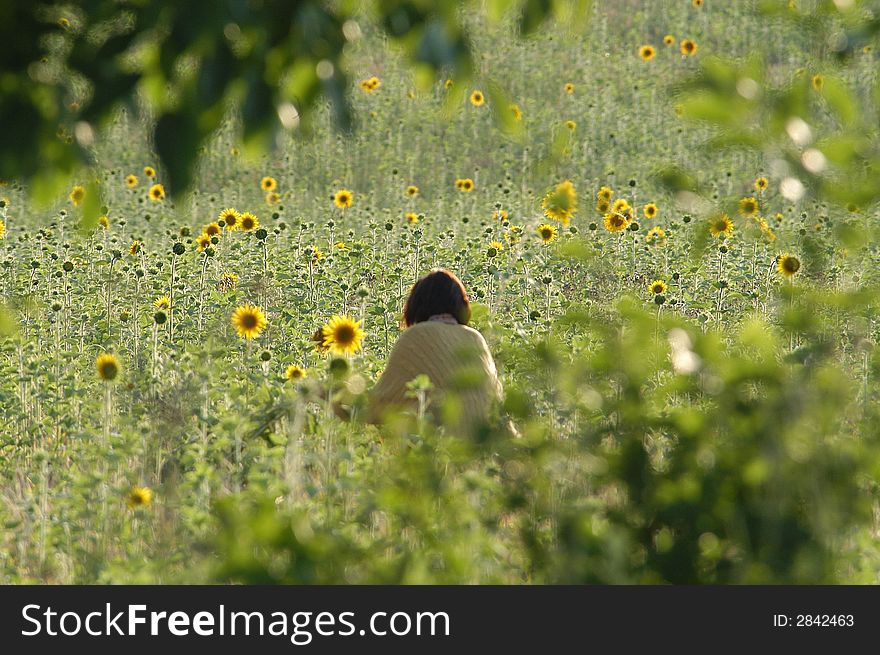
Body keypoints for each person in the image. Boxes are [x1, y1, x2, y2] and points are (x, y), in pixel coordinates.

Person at [367, 268, 505, 433]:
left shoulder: (416, 336)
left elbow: (379, 406)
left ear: (416, 305)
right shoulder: (475, 338)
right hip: (489, 444)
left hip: (446, 448)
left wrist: (335, 394)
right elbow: (494, 399)